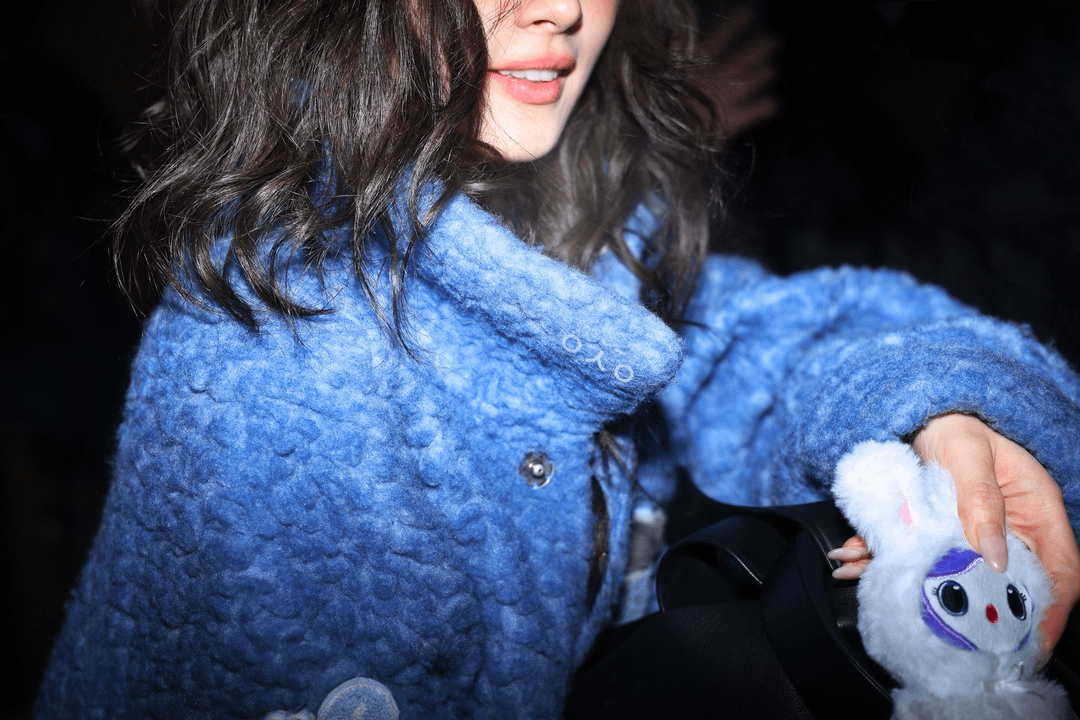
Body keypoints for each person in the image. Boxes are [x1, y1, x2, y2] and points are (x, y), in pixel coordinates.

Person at [35, 0, 1080, 718]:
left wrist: (941, 407)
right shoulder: (286, 388)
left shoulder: (568, 202)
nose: (563, 9)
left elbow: (745, 341)